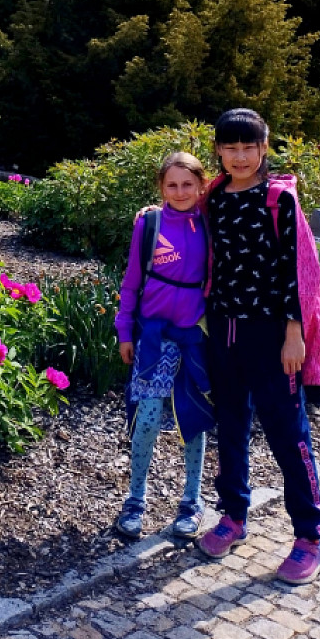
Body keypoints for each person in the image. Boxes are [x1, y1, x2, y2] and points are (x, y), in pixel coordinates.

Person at [198, 107, 320, 584]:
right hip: (223, 329)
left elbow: (298, 270)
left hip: (271, 335)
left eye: (248, 147)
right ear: (218, 150)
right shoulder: (215, 196)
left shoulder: (278, 200)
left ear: (263, 147)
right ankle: (234, 515)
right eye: (230, 147)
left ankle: (310, 536)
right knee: (230, 426)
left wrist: (295, 335)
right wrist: (154, 215)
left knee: (287, 434)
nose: (240, 156)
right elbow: (186, 225)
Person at [114, 152, 213, 541]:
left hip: (194, 339)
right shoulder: (149, 223)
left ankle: (192, 502)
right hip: (154, 339)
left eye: (188, 184)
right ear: (161, 187)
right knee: (147, 419)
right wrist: (125, 331)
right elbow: (131, 283)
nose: (180, 191)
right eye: (172, 185)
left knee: (194, 420)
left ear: (201, 185)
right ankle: (135, 500)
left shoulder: (210, 223)